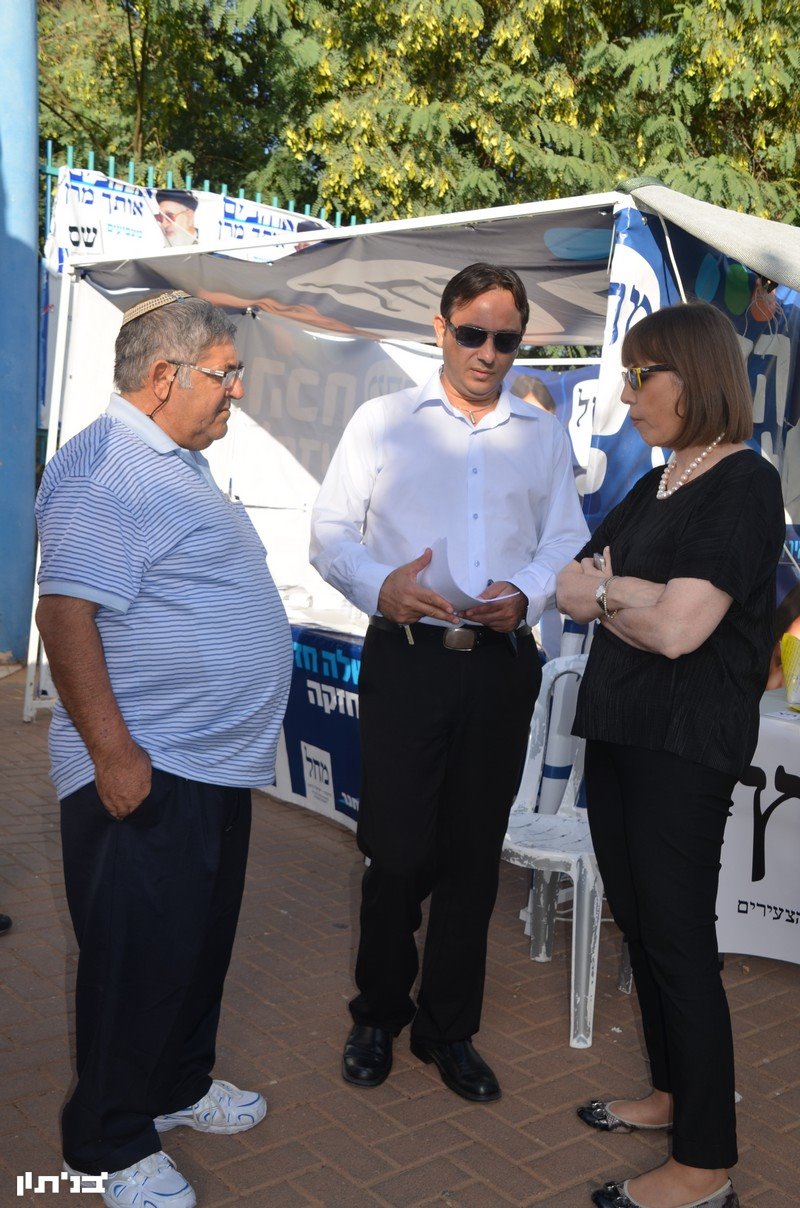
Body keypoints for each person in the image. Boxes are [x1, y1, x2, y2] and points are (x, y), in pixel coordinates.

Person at [35, 292, 293, 1208]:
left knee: (192, 948)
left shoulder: (171, 462)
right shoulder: (106, 468)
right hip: (149, 763)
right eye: (225, 374)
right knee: (135, 962)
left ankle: (178, 1085)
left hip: (205, 763)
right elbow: (65, 615)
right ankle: (107, 1142)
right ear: (162, 378)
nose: (237, 390)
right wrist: (114, 755)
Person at [310, 262, 588, 1103]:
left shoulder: (542, 436)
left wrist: (528, 593)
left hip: (500, 666)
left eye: (506, 339)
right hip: (406, 656)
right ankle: (377, 1014)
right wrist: (380, 587)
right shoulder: (383, 422)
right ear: (440, 329)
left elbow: (565, 539)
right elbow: (330, 531)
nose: (488, 352)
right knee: (395, 851)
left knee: (472, 857)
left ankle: (447, 1031)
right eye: (472, 333)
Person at [556, 301, 785, 1208]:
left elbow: (683, 632)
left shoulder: (745, 483)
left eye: (640, 375)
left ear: (696, 374)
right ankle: (671, 1095)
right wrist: (630, 595)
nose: (628, 394)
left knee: (680, 938)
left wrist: (616, 594)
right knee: (643, 927)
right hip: (619, 730)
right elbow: (570, 585)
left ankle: (705, 1163)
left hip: (683, 747)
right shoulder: (656, 483)